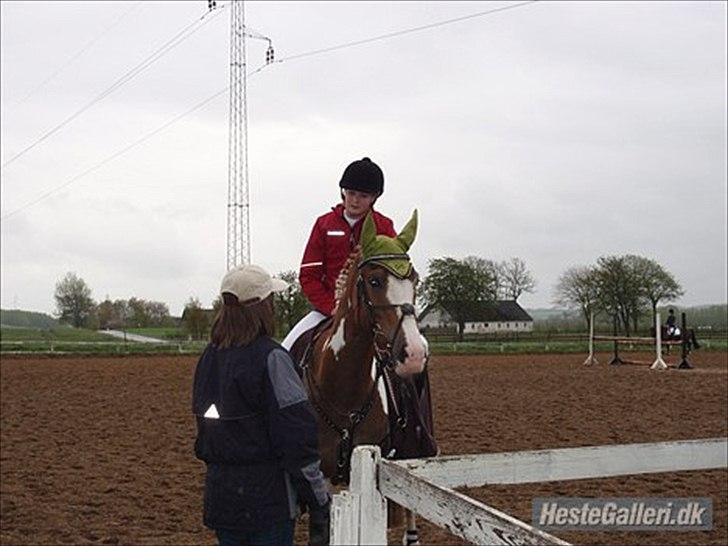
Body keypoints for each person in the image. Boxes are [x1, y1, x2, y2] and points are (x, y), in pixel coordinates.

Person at [192, 264, 331, 546]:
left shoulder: (208, 357)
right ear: (262, 306)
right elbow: (297, 437)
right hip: (268, 504)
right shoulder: (273, 358)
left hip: (222, 499)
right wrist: (318, 498)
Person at [282, 157, 397, 350]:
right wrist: (331, 307)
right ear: (343, 191)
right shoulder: (323, 224)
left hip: (371, 312)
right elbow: (309, 276)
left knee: (411, 353)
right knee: (286, 349)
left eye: (363, 195)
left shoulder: (383, 226)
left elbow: (392, 274)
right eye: (351, 193)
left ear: (374, 197)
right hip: (326, 310)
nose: (354, 200)